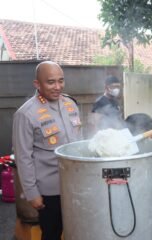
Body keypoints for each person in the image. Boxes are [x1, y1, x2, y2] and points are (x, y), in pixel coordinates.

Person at [12, 61, 82, 240]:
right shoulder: (26, 114)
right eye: (51, 82)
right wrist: (32, 193)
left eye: (61, 81)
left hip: (75, 184)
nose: (57, 87)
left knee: (78, 229)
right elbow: (23, 158)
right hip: (50, 191)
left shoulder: (70, 105)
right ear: (37, 84)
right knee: (51, 233)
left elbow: (78, 143)